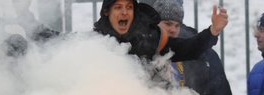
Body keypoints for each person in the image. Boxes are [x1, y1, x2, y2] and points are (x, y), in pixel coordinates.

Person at [151, 0, 234, 95]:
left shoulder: (199, 52)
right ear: (155, 24)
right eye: (167, 24)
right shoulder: (143, 49)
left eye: (177, 25)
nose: (172, 29)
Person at [93, 0, 228, 62]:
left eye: (129, 7)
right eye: (118, 7)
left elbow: (186, 48)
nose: (124, 12)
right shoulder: (94, 44)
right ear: (106, 11)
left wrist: (212, 31)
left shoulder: (148, 37)